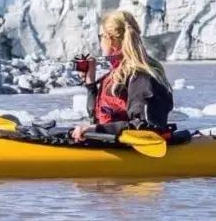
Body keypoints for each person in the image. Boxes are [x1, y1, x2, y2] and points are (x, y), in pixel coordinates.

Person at [71, 10, 174, 142]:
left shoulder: (140, 77)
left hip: (132, 149)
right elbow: (97, 119)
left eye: (101, 36)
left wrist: (96, 129)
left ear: (111, 40)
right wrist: (90, 84)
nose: (100, 42)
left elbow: (142, 127)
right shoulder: (115, 76)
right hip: (113, 143)